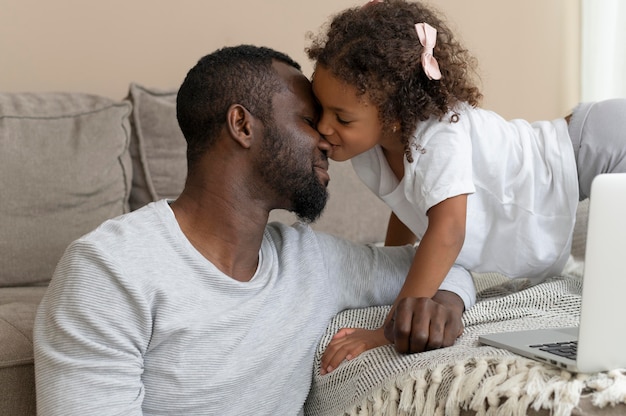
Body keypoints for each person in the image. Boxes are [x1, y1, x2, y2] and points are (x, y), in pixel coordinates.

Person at [33, 45, 475, 416]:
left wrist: (442, 307)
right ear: (242, 125)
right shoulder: (108, 272)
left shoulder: (311, 261)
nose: (327, 139)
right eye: (308, 120)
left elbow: (451, 263)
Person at [307, 0, 626, 372]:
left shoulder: (438, 136)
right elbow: (408, 209)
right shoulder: (372, 148)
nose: (324, 127)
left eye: (341, 118)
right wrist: (392, 273)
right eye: (321, 109)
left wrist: (385, 331)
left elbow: (447, 231)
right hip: (591, 147)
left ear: (394, 116)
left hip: (602, 141)